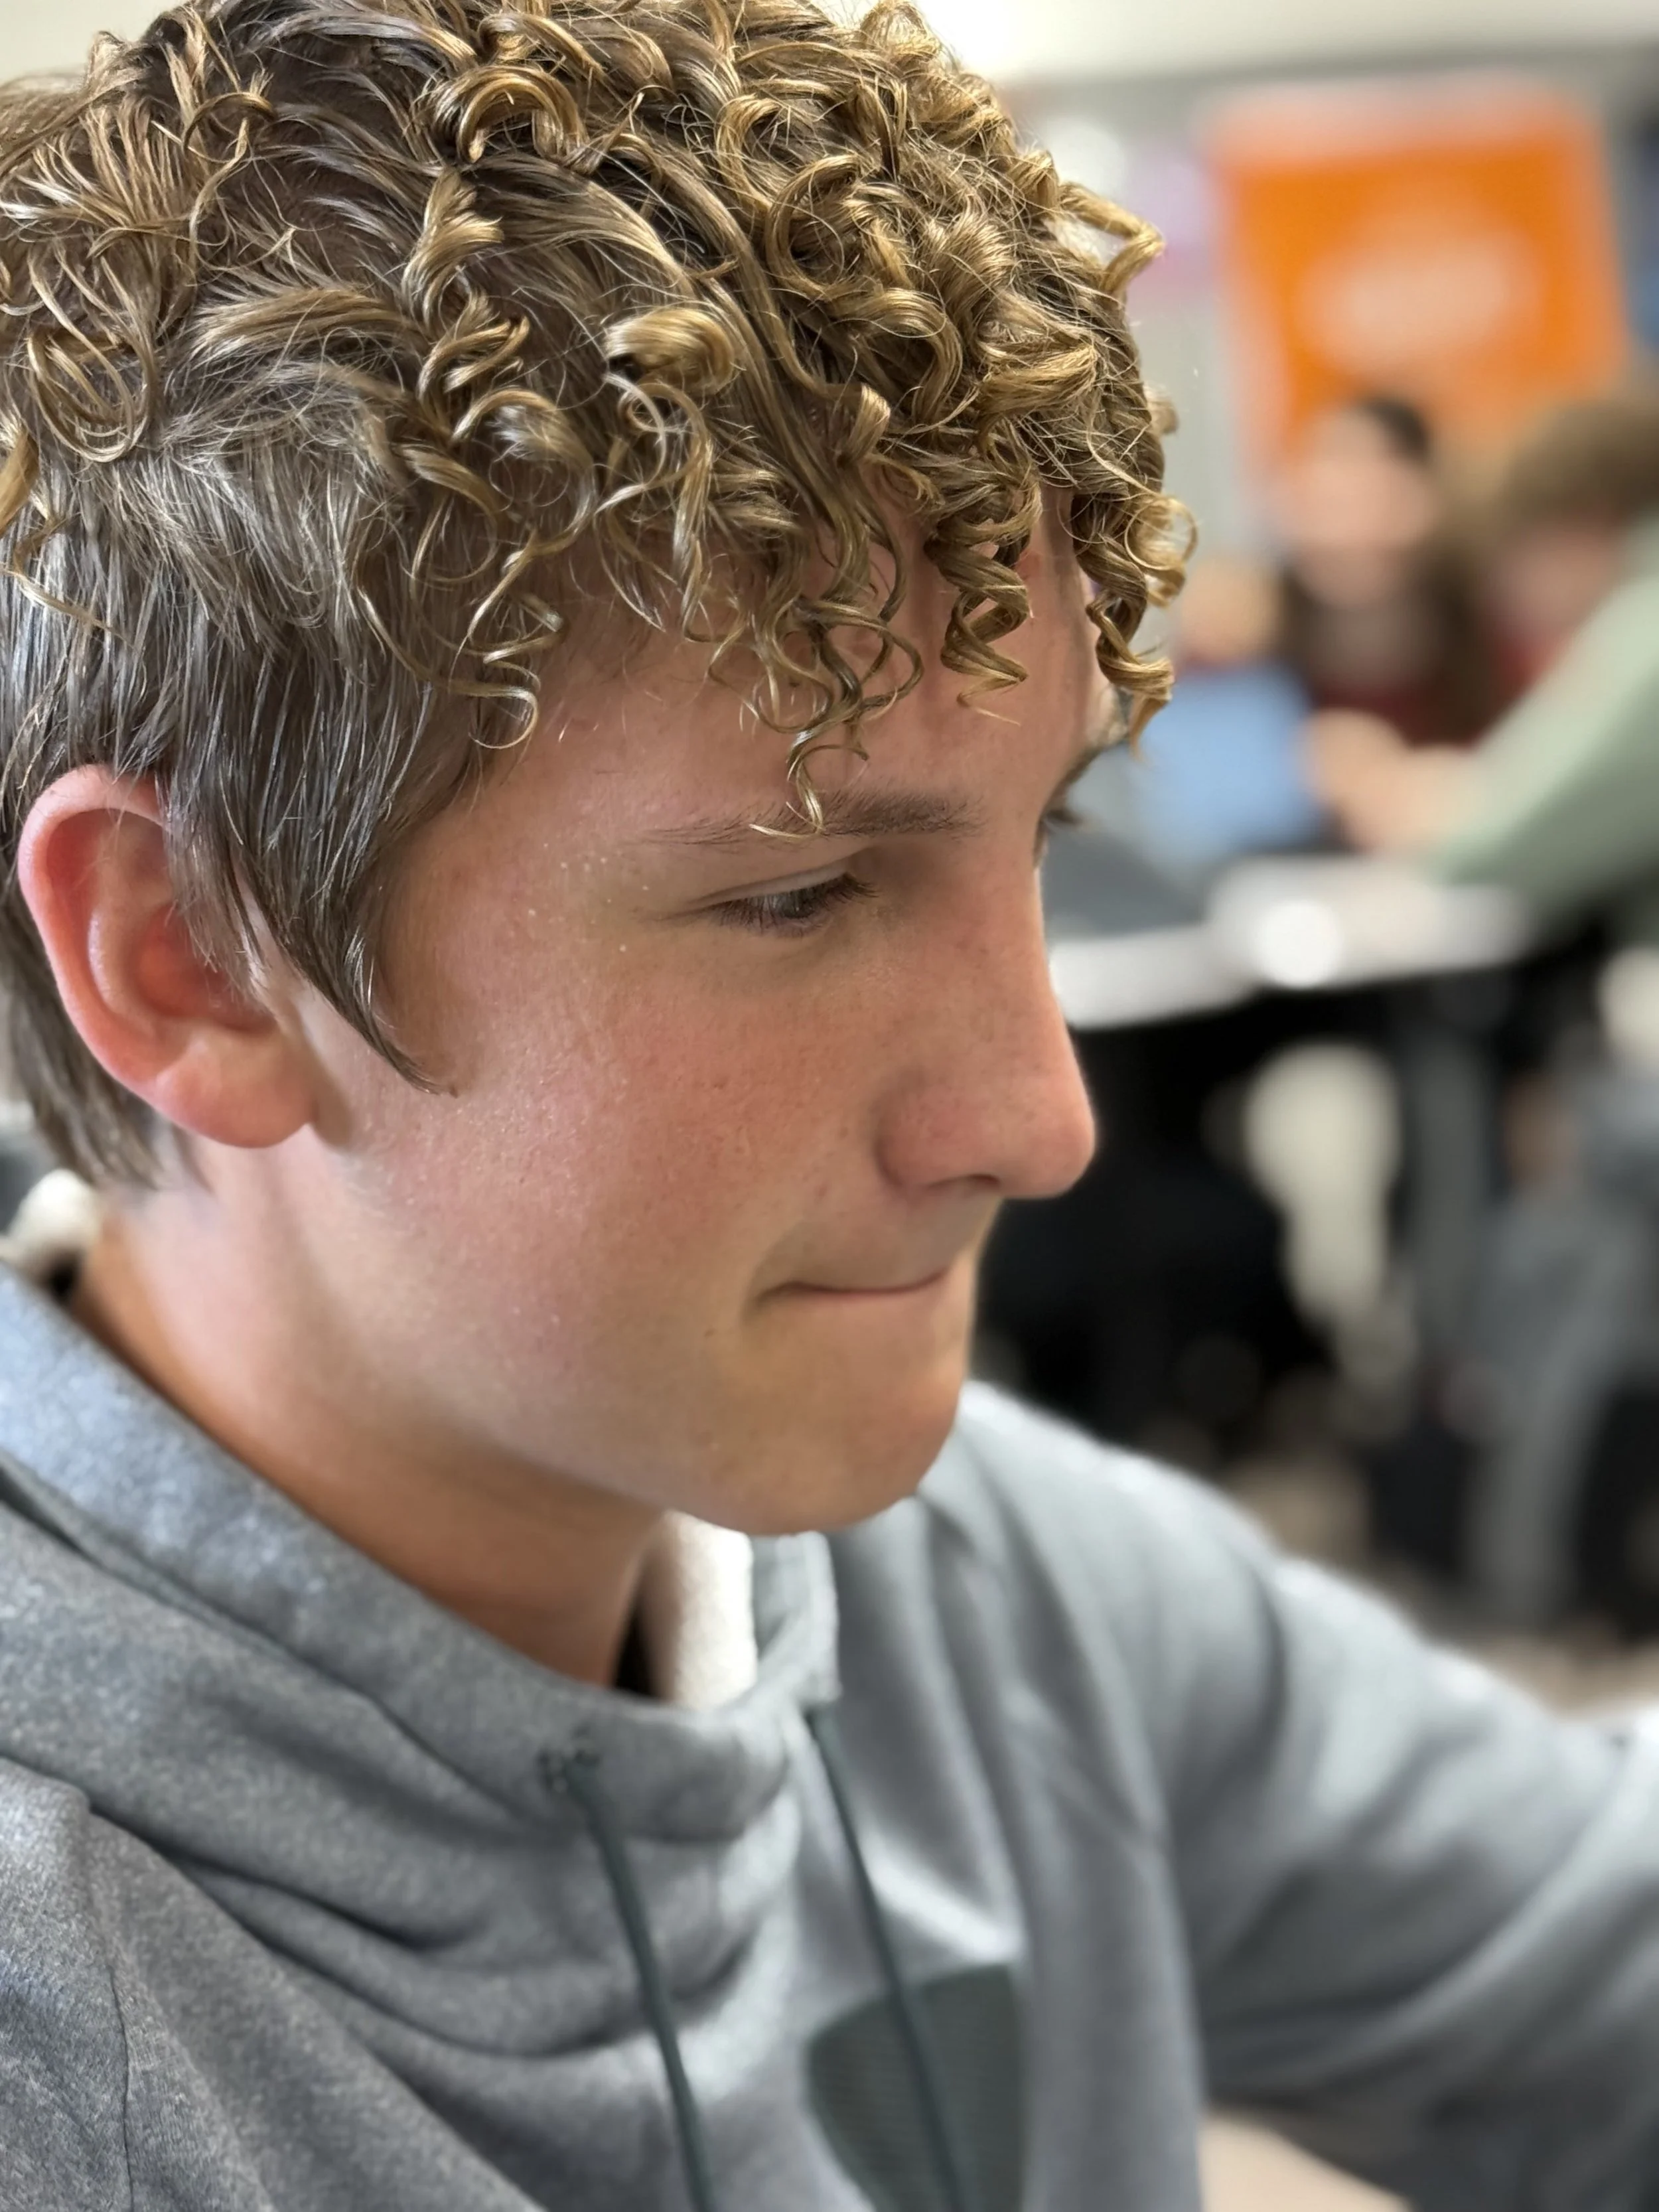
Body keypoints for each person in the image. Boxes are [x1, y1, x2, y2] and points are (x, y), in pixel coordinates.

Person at [9, 10, 1659, 2212]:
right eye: (795, 893)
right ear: (189, 952)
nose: (1042, 1122)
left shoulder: (989, 1593)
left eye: (1039, 833)